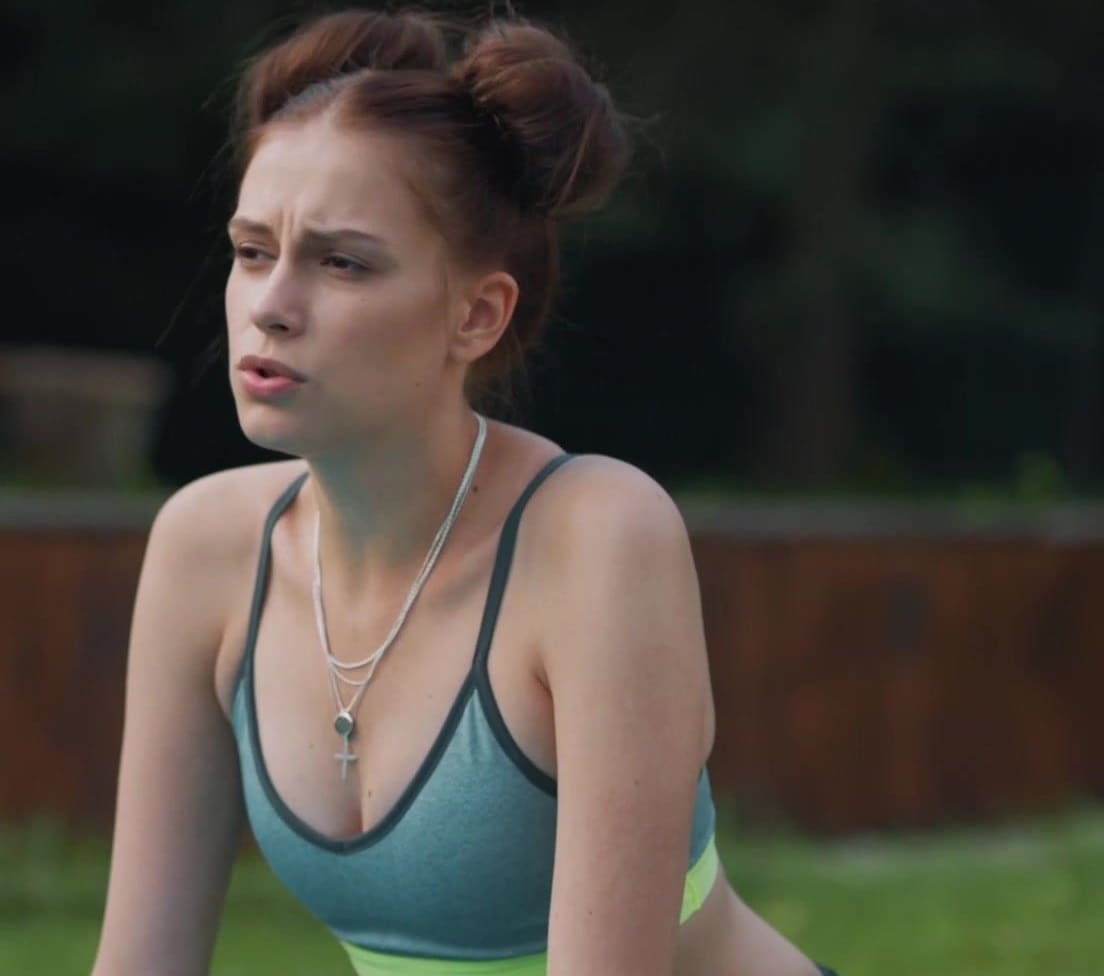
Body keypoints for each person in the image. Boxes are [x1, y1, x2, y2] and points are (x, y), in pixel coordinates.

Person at [91, 9, 839, 976]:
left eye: (342, 262)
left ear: (477, 315)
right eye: (252, 250)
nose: (270, 306)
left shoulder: (596, 538)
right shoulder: (206, 546)